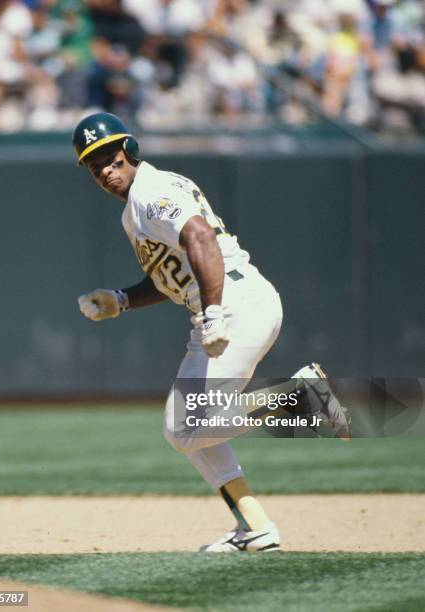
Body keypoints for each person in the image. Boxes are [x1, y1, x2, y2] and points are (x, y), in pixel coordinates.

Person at [73, 112, 351, 552]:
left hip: (233, 307)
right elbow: (174, 275)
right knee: (189, 431)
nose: (106, 170)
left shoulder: (152, 192)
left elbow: (200, 238)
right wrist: (123, 299)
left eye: (111, 157)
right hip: (234, 303)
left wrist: (215, 314)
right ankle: (254, 525)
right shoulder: (138, 207)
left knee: (184, 427)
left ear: (130, 151)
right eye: (95, 165)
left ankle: (299, 397)